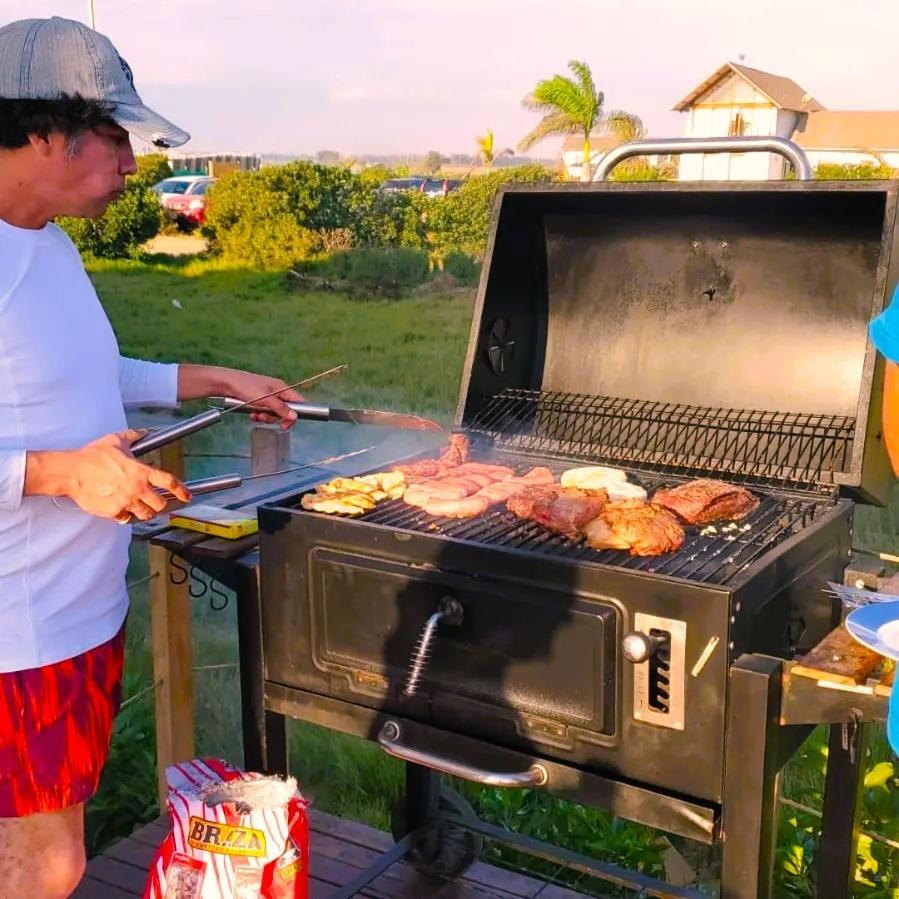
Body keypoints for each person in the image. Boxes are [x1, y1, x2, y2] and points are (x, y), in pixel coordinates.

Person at [0, 16, 302, 897]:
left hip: (74, 611)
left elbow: (81, 369)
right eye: (115, 136)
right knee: (40, 863)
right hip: (17, 638)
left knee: (51, 847)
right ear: (44, 129)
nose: (132, 163)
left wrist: (213, 377)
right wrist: (61, 473)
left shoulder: (43, 241)